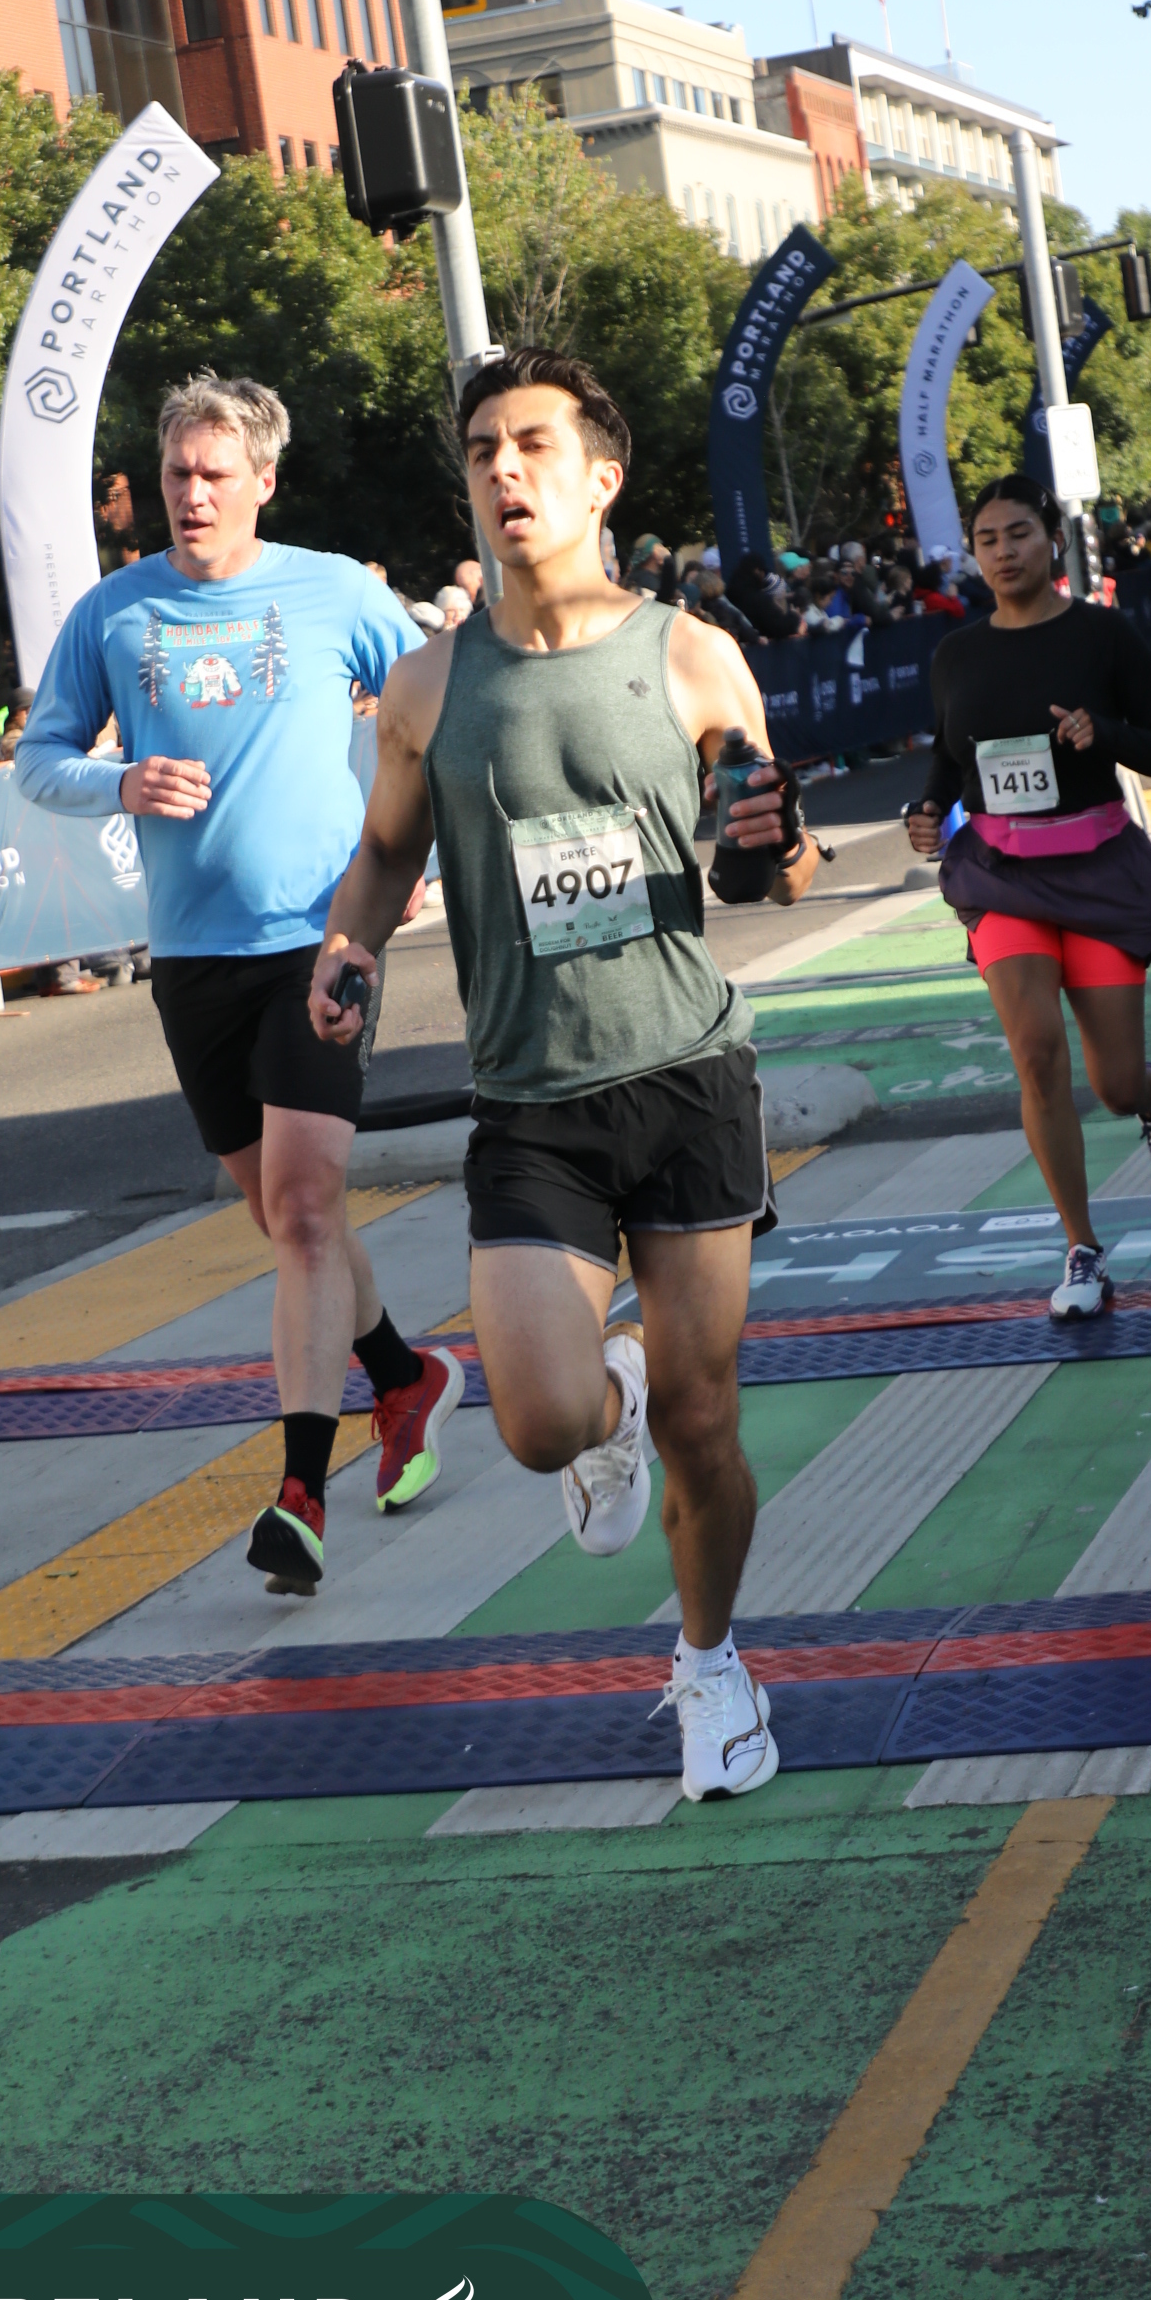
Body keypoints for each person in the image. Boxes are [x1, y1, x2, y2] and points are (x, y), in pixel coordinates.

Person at [312, 346, 818, 1804]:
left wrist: (773, 839)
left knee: (705, 1422)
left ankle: (711, 1668)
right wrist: (347, 948)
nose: (502, 470)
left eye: (530, 443)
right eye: (482, 450)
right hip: (531, 1099)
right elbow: (386, 855)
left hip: (688, 1078)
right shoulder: (426, 686)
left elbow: (771, 864)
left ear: (601, 478)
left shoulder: (691, 655)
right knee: (539, 1422)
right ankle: (607, 1397)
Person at [15, 371, 464, 1597]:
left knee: (309, 1211)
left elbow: (440, 714)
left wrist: (410, 862)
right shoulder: (113, 612)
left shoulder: (334, 590)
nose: (193, 493)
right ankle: (404, 1377)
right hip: (192, 962)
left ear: (263, 480)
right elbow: (38, 760)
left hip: (322, 942)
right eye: (177, 473)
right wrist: (118, 782)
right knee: (282, 1217)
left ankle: (299, 1495)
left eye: (215, 473)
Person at [906, 476, 1151, 1321]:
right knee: (1036, 1051)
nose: (1004, 552)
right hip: (1002, 878)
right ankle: (1081, 1248)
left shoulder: (1101, 635)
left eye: (1019, 534)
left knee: (1113, 1083)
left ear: (1051, 540)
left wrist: (1102, 732)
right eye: (988, 539)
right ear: (973, 553)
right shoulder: (956, 654)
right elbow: (949, 754)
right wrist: (927, 808)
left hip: (1098, 870)